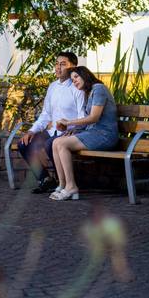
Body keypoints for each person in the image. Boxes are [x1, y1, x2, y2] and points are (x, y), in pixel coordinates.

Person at [17, 51, 85, 193]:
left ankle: (65, 183)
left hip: (68, 133)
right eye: (56, 64)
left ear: (73, 67)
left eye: (63, 64)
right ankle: (45, 179)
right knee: (24, 144)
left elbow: (82, 115)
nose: (58, 67)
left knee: (50, 144)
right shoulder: (52, 87)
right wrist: (32, 130)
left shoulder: (77, 87)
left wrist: (76, 128)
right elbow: (45, 114)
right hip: (51, 131)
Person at [50, 66, 118, 200]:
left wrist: (68, 122)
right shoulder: (90, 92)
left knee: (62, 144)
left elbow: (94, 118)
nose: (74, 81)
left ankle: (71, 186)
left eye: (76, 77)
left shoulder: (99, 89)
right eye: (72, 79)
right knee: (56, 142)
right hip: (94, 133)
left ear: (85, 75)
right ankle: (63, 184)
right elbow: (89, 122)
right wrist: (72, 129)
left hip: (105, 135)